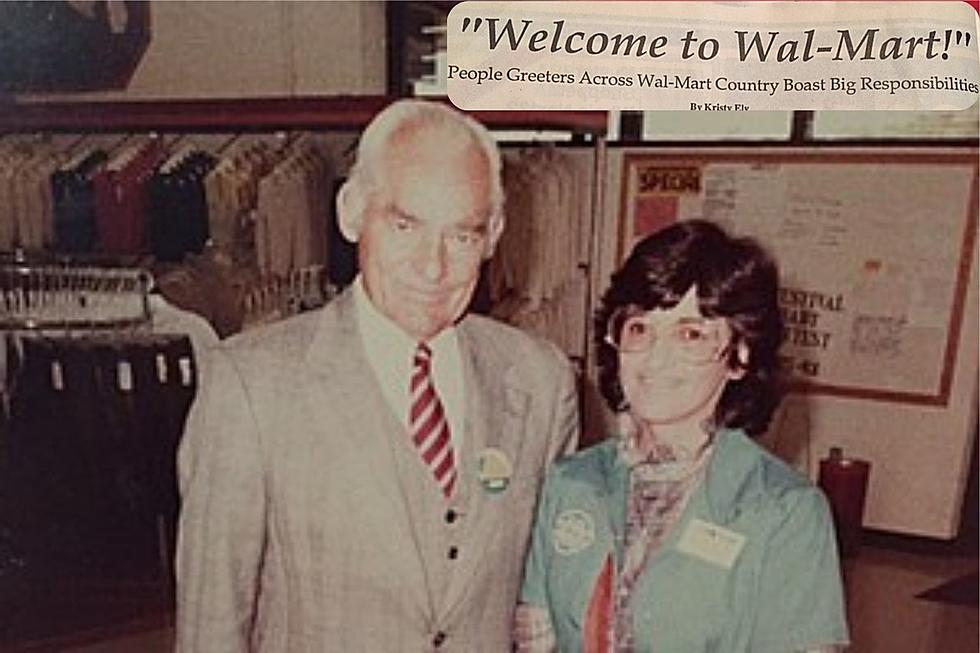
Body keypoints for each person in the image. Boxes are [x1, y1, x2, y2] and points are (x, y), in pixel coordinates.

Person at [175, 100, 579, 652]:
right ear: (351, 211)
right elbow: (210, 627)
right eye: (405, 224)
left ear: (493, 236)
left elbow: (545, 605)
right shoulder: (251, 388)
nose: (433, 267)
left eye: (462, 235)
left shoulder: (540, 381)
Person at [515, 220, 849, 652]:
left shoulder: (785, 513)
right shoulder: (569, 482)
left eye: (690, 335)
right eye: (640, 329)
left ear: (739, 357)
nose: (656, 358)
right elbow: (535, 639)